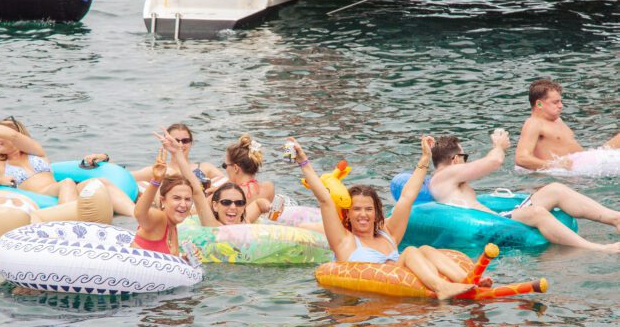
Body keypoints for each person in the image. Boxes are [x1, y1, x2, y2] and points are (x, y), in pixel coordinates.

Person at [290, 135, 479, 300]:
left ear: (376, 213)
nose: (363, 214)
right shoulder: (344, 241)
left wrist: (425, 158)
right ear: (348, 213)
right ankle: (442, 287)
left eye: (368, 209)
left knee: (427, 248)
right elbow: (325, 201)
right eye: (356, 209)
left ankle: (468, 282)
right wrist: (303, 161)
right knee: (411, 251)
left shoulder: (388, 234)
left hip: (408, 292)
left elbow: (407, 197)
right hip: (375, 301)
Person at [430, 130, 620, 252]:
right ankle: (598, 248)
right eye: (465, 156)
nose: (467, 161)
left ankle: (615, 218)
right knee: (536, 213)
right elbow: (494, 162)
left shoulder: (449, 178)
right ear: (455, 158)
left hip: (500, 218)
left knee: (555, 189)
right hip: (490, 226)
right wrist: (499, 146)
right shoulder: (444, 176)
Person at [0, 115, 135, 216]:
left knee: (101, 183)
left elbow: (12, 136)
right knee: (67, 182)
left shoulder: (35, 152)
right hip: (43, 197)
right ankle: (71, 224)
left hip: (61, 190)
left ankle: (138, 218)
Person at [157, 130, 270, 225]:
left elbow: (258, 204)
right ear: (215, 206)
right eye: (225, 202)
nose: (233, 206)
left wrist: (265, 204)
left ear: (244, 207)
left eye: (239, 203)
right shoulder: (212, 225)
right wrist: (178, 153)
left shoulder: (244, 223)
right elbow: (196, 191)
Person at [515, 78, 619, 171]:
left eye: (560, 101)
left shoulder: (557, 120)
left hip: (584, 162)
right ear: (539, 104)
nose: (561, 106)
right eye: (555, 102)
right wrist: (555, 165)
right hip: (571, 168)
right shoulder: (534, 123)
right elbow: (521, 158)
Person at [132, 147, 193, 255]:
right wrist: (156, 180)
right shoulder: (160, 219)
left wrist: (184, 261)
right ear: (163, 201)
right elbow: (139, 213)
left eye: (187, 199)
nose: (183, 204)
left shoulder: (173, 227)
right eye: (177, 198)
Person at [132, 122, 223, 190]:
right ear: (166, 143)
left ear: (191, 143)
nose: (179, 145)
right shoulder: (158, 171)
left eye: (185, 141)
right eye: (174, 141)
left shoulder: (206, 168)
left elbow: (229, 184)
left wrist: (214, 190)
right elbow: (126, 177)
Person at [217, 135, 275, 204]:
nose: (225, 169)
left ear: (235, 168)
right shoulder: (269, 187)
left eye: (225, 165)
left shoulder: (230, 195)